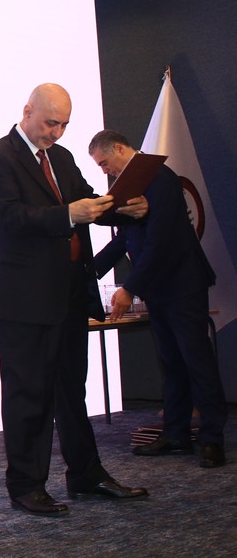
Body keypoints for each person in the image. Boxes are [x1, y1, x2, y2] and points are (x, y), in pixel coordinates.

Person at [0, 83, 149, 516]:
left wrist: (121, 209)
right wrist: (66, 214)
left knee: (72, 389)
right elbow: (8, 217)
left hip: (68, 291)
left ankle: (86, 474)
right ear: (27, 112)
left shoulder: (62, 157)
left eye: (64, 125)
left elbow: (89, 201)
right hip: (23, 297)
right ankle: (26, 485)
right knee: (28, 393)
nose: (56, 133)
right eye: (50, 123)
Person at [89, 130, 226, 468]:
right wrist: (88, 270)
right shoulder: (131, 183)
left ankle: (213, 439)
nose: (105, 171)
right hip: (159, 287)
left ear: (119, 149)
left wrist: (129, 288)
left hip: (182, 284)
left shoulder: (158, 176)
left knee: (197, 361)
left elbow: (160, 240)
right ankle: (177, 434)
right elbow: (126, 236)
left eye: (104, 163)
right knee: (171, 362)